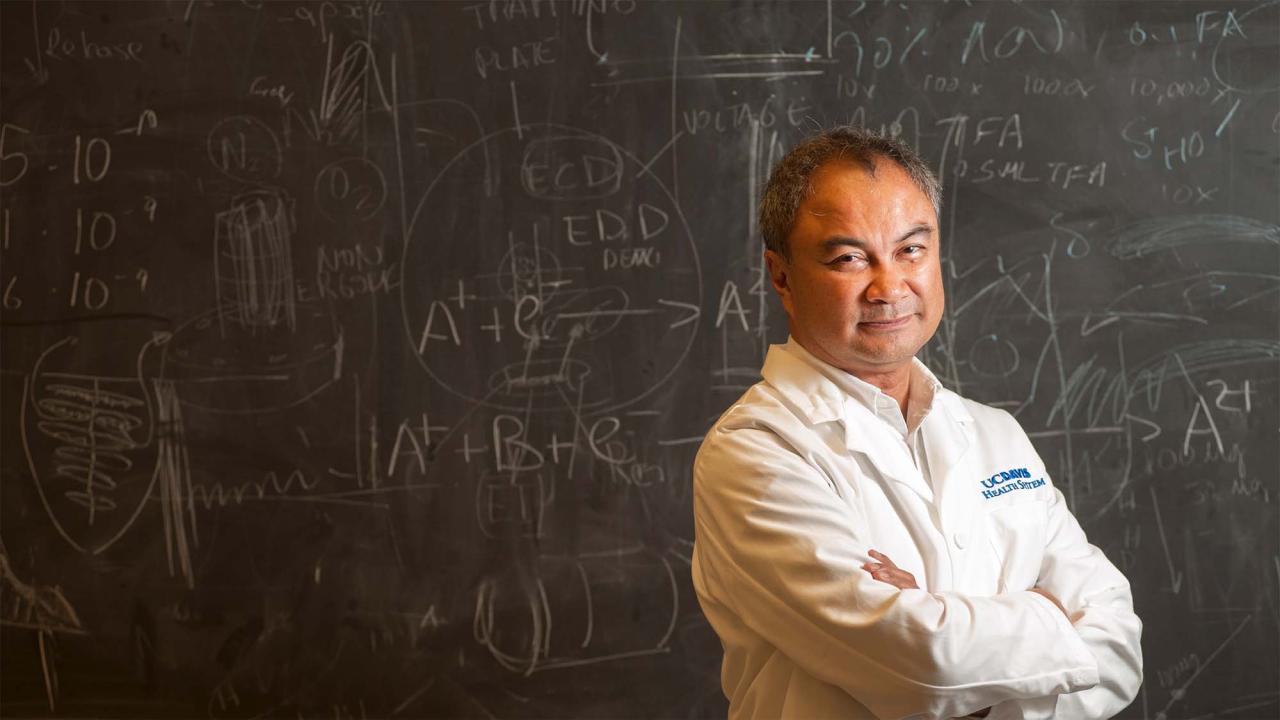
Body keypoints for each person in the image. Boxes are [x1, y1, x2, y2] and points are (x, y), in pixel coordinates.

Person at [690, 127, 1142, 719]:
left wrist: (938, 619)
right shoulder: (755, 453)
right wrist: (1049, 617)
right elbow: (924, 662)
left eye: (911, 249)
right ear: (782, 276)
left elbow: (1120, 645)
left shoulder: (992, 434)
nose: (889, 288)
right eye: (849, 258)